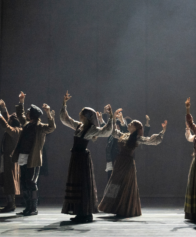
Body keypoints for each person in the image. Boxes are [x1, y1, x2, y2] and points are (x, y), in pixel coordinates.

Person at [60, 91, 118, 223]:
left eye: (81, 115)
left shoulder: (90, 129)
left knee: (83, 185)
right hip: (76, 159)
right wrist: (64, 104)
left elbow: (106, 131)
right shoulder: (80, 126)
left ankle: (85, 213)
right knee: (77, 184)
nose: (80, 117)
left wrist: (110, 117)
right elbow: (66, 120)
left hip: (82, 160)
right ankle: (80, 212)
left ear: (86, 117)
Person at [99, 118, 167, 218]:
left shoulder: (137, 138)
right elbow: (113, 132)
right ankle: (112, 206)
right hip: (119, 163)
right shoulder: (123, 135)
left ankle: (124, 208)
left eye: (131, 124)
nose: (129, 124)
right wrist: (111, 118)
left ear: (135, 128)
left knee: (125, 185)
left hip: (127, 164)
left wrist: (162, 131)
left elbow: (151, 140)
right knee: (115, 184)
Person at [12, 92, 56, 216]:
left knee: (31, 182)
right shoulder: (26, 125)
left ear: (32, 115)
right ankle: (27, 207)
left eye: (28, 112)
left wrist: (48, 113)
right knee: (25, 182)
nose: (26, 114)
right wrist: (21, 101)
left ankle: (33, 208)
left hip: (33, 158)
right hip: (23, 157)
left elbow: (52, 127)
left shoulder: (39, 127)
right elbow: (20, 115)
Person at [0, 100, 22, 212]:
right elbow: (6, 119)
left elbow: (5, 123)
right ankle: (10, 203)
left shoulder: (15, 131)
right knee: (5, 180)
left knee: (9, 181)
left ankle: (11, 203)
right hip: (6, 159)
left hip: (10, 159)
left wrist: (0, 115)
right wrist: (4, 108)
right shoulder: (14, 129)